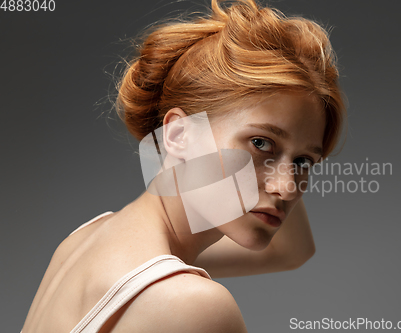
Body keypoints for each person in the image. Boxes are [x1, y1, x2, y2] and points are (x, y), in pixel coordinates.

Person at [20, 0, 346, 332]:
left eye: (304, 161)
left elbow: (292, 250)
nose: (288, 187)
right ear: (178, 134)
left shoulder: (85, 240)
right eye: (260, 142)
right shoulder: (193, 305)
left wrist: (286, 126)